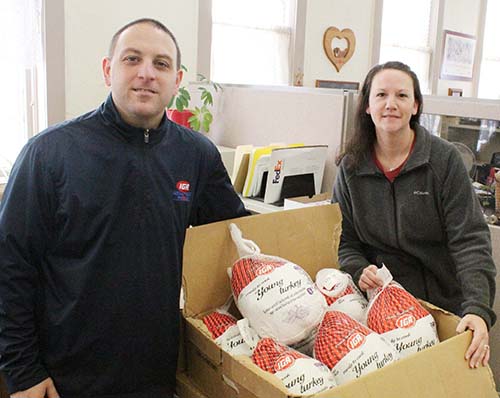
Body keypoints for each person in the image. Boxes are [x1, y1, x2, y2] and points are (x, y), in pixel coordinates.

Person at [0, 18, 248, 398]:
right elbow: (10, 264)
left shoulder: (196, 155)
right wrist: (23, 371)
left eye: (161, 64)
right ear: (107, 70)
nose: (146, 73)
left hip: (158, 374)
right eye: (132, 59)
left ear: (177, 79)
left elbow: (235, 240)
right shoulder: (49, 155)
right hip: (66, 378)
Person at [332, 61, 496, 369]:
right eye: (381, 95)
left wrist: (477, 308)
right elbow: (344, 241)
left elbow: (470, 240)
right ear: (367, 105)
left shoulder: (443, 160)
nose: (390, 104)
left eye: (402, 96)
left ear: (416, 105)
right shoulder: (351, 167)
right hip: (381, 309)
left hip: (442, 305)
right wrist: (358, 268)